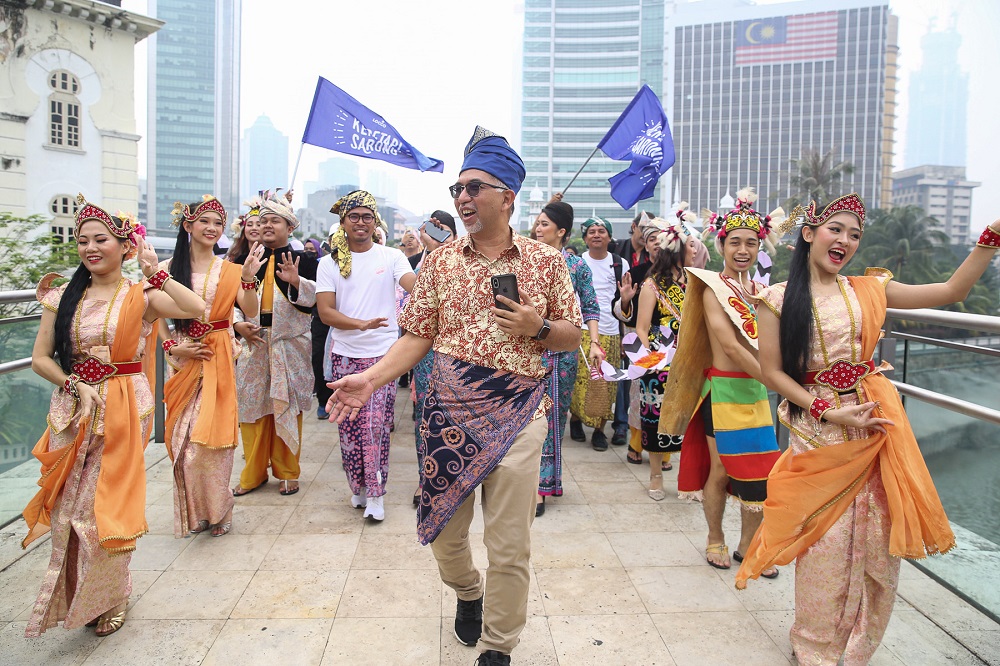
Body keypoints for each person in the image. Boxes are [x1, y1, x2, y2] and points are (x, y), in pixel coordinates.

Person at [327, 126, 581, 666]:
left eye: (474, 187)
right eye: (457, 189)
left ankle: (498, 645)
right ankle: (468, 591)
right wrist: (370, 379)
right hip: (447, 417)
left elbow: (572, 334)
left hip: (519, 415)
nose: (463, 197)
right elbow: (416, 336)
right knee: (444, 534)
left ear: (507, 197)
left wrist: (537, 327)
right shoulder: (439, 262)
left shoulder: (547, 261)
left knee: (509, 546)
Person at [736, 193, 1000, 664]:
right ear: (809, 234)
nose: (846, 240)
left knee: (878, 542)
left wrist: (992, 237)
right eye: (836, 229)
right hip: (819, 431)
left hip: (874, 426)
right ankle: (814, 644)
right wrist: (826, 410)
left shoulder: (868, 290)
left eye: (855, 234)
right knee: (826, 544)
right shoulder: (776, 298)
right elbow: (772, 373)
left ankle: (859, 647)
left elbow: (952, 290)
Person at [22, 195, 206, 637]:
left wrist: (154, 272)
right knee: (66, 510)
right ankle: (80, 596)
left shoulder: (141, 295)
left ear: (125, 245)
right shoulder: (62, 297)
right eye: (82, 240)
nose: (89, 247)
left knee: (101, 508)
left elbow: (195, 309)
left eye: (100, 239)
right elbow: (40, 358)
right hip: (73, 408)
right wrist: (74, 383)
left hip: (123, 407)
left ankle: (113, 595)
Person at [660, 189, 782, 575]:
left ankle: (748, 546)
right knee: (721, 468)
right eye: (735, 242)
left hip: (756, 391)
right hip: (724, 390)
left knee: (760, 473)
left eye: (751, 243)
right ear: (722, 245)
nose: (743, 250)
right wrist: (779, 382)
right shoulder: (713, 288)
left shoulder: (763, 293)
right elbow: (729, 344)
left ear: (759, 247)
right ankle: (715, 536)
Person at [159, 196, 265, 538]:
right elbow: (152, 313)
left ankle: (220, 508)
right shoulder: (166, 269)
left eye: (218, 223)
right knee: (182, 440)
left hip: (217, 357)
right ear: (188, 225)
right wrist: (171, 345)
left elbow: (250, 309)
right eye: (204, 221)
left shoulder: (229, 269)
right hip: (182, 359)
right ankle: (199, 511)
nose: (211, 228)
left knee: (211, 440)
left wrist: (247, 278)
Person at [316, 190, 416, 521]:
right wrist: (360, 324)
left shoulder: (392, 257)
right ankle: (357, 488)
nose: (361, 222)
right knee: (347, 427)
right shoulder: (328, 263)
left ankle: (375, 495)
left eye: (367, 217)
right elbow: (326, 312)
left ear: (376, 223)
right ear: (343, 222)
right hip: (344, 356)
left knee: (374, 427)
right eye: (354, 216)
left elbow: (414, 285)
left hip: (383, 357)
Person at [232, 193, 318, 497]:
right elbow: (230, 302)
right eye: (263, 220)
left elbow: (317, 300)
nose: (267, 225)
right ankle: (253, 474)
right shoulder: (243, 261)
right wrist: (237, 324)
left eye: (275, 221)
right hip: (254, 343)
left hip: (289, 345)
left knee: (286, 406)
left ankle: (287, 472)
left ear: (289, 227)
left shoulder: (306, 260)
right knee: (252, 408)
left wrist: (296, 281)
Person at [532, 199, 602, 516]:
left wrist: (594, 343)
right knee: (523, 418)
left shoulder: (576, 267)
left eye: (544, 224)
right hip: (525, 352)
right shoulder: (525, 261)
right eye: (537, 223)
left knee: (551, 419)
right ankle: (518, 480)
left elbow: (590, 306)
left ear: (561, 231)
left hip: (561, 355)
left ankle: (542, 486)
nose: (538, 228)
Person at [627, 218, 691, 500]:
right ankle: (655, 474)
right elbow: (641, 328)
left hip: (689, 359)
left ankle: (688, 476)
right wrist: (651, 359)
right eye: (690, 246)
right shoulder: (652, 285)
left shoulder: (696, 282)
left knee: (688, 420)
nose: (694, 250)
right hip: (659, 362)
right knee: (655, 418)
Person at [408, 212, 457, 505]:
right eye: (435, 231)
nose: (440, 237)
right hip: (425, 353)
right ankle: (424, 479)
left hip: (457, 354)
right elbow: (413, 300)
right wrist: (431, 249)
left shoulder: (465, 263)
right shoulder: (416, 263)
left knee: (455, 418)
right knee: (426, 419)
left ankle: (453, 478)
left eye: (446, 232)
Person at [568, 216, 627, 451]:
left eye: (601, 231)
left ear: (609, 237)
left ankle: (600, 431)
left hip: (611, 331)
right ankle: (575, 420)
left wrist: (627, 302)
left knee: (606, 384)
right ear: (584, 238)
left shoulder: (619, 263)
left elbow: (623, 304)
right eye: (591, 231)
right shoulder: (577, 262)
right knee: (580, 382)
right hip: (582, 330)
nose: (596, 235)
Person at [609, 210, 650, 445]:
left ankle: (631, 428)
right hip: (621, 323)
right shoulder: (617, 251)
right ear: (634, 227)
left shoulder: (662, 267)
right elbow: (616, 298)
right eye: (646, 231)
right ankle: (621, 425)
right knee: (623, 379)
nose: (649, 239)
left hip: (652, 333)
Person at [302, 238, 335, 418]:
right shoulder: (321, 264)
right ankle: (323, 401)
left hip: (347, 318)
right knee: (319, 357)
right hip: (321, 318)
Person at [225, 194, 264, 264]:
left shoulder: (273, 256)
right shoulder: (234, 258)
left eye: (259, 225)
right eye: (249, 225)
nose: (254, 228)